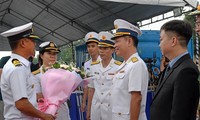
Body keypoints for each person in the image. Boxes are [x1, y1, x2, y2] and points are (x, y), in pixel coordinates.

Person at [0, 22, 55, 119]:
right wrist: (44, 116)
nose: (35, 44)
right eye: (32, 40)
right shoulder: (18, 68)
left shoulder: (19, 65)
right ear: (23, 43)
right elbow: (21, 104)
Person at [150, 20, 200, 120]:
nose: (159, 45)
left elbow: (181, 114)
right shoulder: (171, 67)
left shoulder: (186, 71)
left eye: (161, 40)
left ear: (173, 41)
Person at [111, 19, 149, 120]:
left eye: (117, 41)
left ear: (129, 41)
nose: (115, 46)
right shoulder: (124, 65)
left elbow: (136, 99)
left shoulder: (136, 65)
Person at [32, 41, 71, 120]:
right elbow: (37, 96)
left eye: (55, 54)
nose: (53, 56)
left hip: (62, 110)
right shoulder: (36, 75)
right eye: (49, 53)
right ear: (41, 56)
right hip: (45, 112)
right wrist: (55, 93)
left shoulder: (63, 72)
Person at [87, 31, 121, 120]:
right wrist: (88, 109)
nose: (102, 51)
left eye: (105, 48)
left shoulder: (119, 67)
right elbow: (91, 89)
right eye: (100, 48)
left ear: (113, 50)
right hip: (96, 109)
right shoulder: (93, 66)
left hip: (111, 108)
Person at [80, 32, 101, 119]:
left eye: (93, 46)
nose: (90, 49)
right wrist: (84, 102)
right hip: (91, 99)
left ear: (98, 47)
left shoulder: (103, 62)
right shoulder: (87, 64)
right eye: (88, 46)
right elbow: (86, 85)